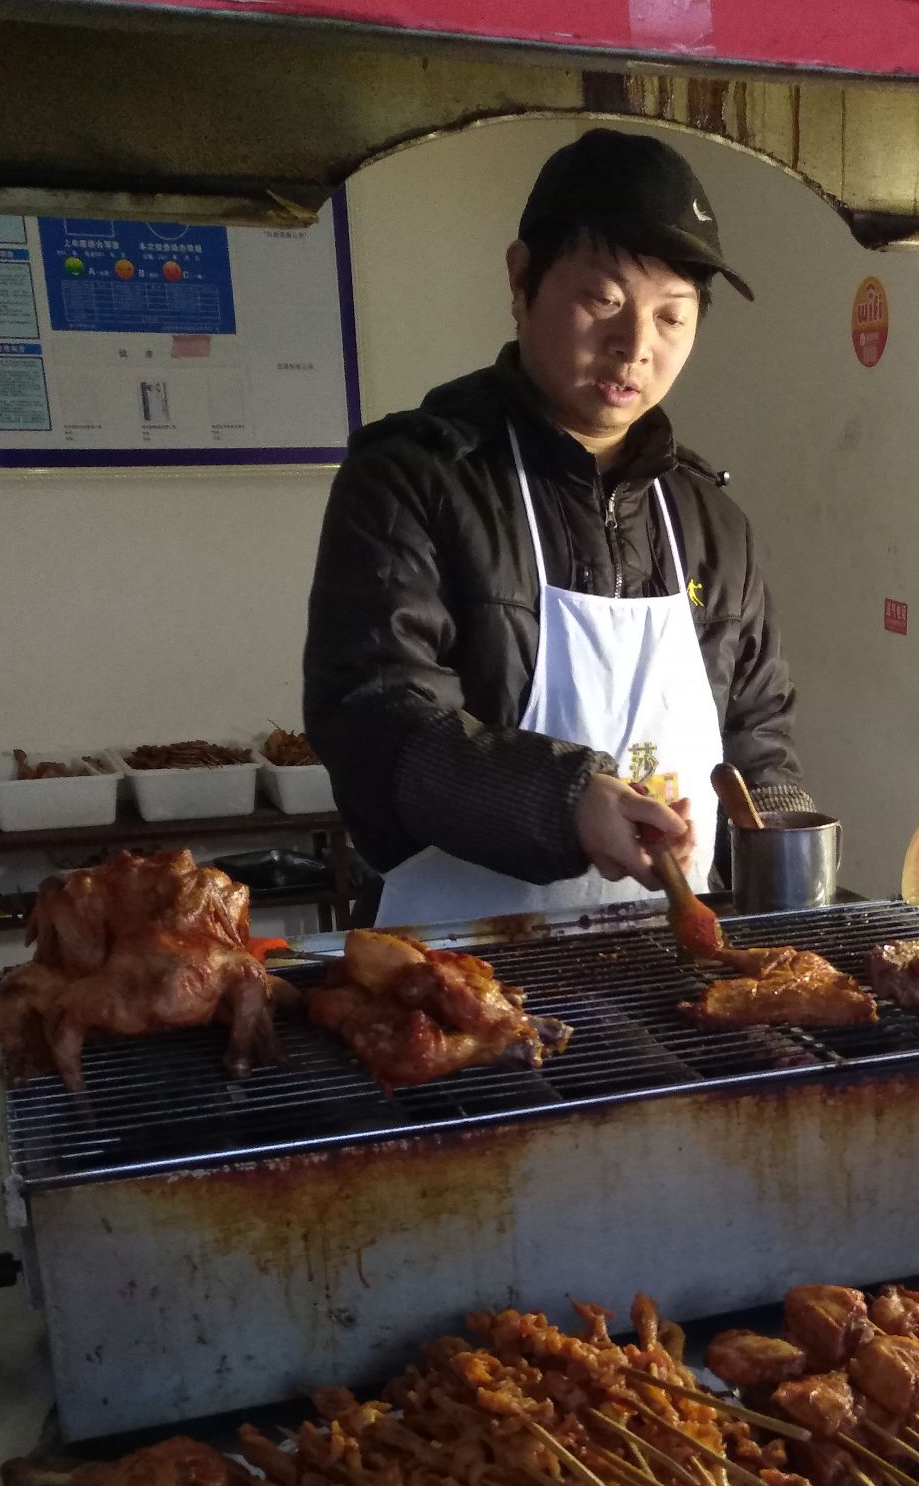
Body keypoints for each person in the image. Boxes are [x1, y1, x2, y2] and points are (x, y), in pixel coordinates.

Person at [304, 127, 808, 927]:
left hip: (669, 979)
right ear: (521, 278)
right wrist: (567, 802)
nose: (634, 347)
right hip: (455, 969)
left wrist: (790, 843)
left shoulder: (712, 523)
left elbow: (757, 743)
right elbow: (378, 725)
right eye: (602, 300)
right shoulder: (413, 480)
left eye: (672, 317)